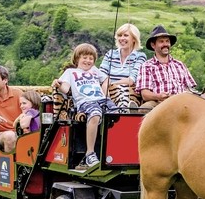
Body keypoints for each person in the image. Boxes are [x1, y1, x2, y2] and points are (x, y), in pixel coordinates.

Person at [51, 43, 116, 171]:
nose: (88, 61)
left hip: (101, 99)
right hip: (84, 102)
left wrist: (105, 93)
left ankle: (116, 148)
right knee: (95, 114)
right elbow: (66, 88)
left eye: (91, 58)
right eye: (84, 57)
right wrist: (57, 84)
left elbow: (106, 79)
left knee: (118, 114)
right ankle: (90, 153)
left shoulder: (95, 71)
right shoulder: (71, 72)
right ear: (77, 59)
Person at [135, 25, 196, 109]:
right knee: (144, 108)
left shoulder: (180, 65)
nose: (165, 44)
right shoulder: (146, 66)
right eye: (161, 41)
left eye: (167, 41)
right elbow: (145, 94)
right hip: (158, 104)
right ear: (153, 45)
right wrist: (159, 96)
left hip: (182, 103)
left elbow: (190, 89)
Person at [100, 23, 147, 108]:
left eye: (126, 35)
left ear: (134, 39)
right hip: (107, 92)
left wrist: (111, 84)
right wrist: (107, 94)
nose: (122, 38)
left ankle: (124, 110)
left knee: (123, 94)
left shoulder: (140, 56)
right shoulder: (110, 54)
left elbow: (131, 80)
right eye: (119, 35)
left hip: (128, 92)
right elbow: (101, 76)